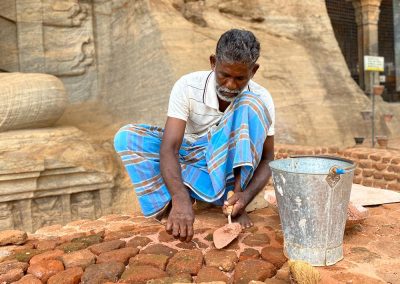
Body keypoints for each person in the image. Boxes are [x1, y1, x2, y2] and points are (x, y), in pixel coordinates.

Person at [114, 29, 275, 242]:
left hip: (227, 173)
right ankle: (179, 197)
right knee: (126, 137)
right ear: (213, 62)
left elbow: (267, 158)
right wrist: (179, 199)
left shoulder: (261, 97)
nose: (230, 85)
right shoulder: (188, 86)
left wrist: (245, 197)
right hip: (192, 159)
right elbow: (170, 148)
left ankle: (233, 202)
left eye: (239, 78)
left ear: (253, 71)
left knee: (250, 103)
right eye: (224, 75)